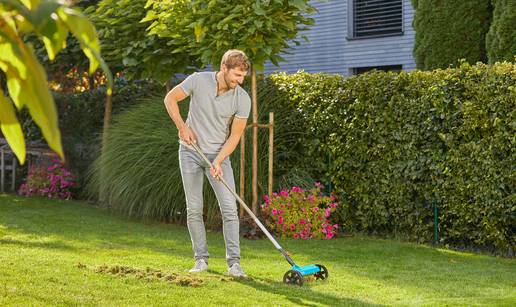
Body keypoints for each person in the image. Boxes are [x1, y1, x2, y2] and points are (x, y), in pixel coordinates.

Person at [163, 50, 251, 278]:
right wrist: (182, 127)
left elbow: (235, 136)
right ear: (224, 68)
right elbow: (170, 99)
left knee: (230, 209)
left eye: (243, 77)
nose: (239, 81)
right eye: (236, 75)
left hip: (219, 156)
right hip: (190, 152)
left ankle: (234, 264)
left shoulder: (242, 98)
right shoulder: (198, 80)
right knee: (194, 208)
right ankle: (200, 259)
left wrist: (219, 160)